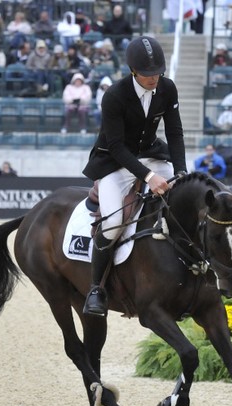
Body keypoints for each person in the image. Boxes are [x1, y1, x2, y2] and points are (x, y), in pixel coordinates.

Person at [81, 36, 187, 316]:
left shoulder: (167, 88)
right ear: (132, 71)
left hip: (152, 154)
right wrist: (150, 176)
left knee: (183, 197)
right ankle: (96, 289)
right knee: (114, 222)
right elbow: (116, 146)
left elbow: (174, 132)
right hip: (114, 162)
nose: (154, 78)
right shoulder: (114, 96)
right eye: (147, 74)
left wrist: (180, 171)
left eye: (158, 72)